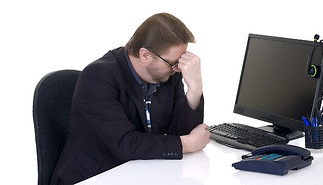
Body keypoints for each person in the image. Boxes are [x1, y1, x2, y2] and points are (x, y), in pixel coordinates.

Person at [50, 13, 210, 185]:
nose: (177, 69)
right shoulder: (98, 77)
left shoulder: (168, 75)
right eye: (173, 63)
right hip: (93, 176)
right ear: (145, 55)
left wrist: (195, 89)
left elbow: (179, 133)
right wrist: (187, 143)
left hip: (137, 172)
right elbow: (125, 144)